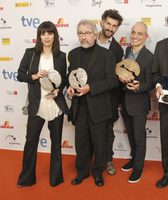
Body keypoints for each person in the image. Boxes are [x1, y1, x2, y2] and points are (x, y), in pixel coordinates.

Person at [16, 21, 69, 187]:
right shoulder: (30, 53)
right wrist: (35, 75)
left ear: (55, 35)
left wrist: (58, 90)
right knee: (31, 142)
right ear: (39, 36)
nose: (46, 36)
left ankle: (56, 178)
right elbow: (20, 75)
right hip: (37, 104)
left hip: (55, 104)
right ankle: (26, 179)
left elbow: (65, 79)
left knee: (56, 142)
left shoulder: (61, 55)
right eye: (43, 33)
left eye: (50, 33)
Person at [67, 19, 118, 186]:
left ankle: (98, 173)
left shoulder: (106, 55)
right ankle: (81, 173)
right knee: (81, 143)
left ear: (95, 34)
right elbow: (71, 77)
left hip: (99, 107)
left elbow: (112, 81)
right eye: (80, 33)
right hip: (80, 107)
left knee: (99, 143)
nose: (84, 37)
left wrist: (91, 87)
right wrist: (69, 87)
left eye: (87, 33)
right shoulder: (73, 54)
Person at [119, 22, 153, 183]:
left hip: (139, 104)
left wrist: (140, 86)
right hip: (125, 102)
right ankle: (134, 159)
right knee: (131, 136)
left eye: (140, 33)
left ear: (146, 37)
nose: (135, 36)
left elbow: (151, 82)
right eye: (133, 32)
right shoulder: (127, 51)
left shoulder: (149, 57)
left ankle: (138, 168)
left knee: (139, 138)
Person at [97, 9, 123, 175]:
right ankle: (90, 161)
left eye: (114, 26)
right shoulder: (89, 40)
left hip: (109, 98)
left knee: (108, 132)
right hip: (88, 95)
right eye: (108, 23)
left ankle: (107, 160)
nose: (110, 28)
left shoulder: (118, 50)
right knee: (89, 130)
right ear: (101, 22)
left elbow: (117, 77)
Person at [152, 38, 168, 188]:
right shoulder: (161, 45)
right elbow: (156, 72)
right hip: (166, 101)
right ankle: (167, 172)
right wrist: (158, 86)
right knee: (166, 137)